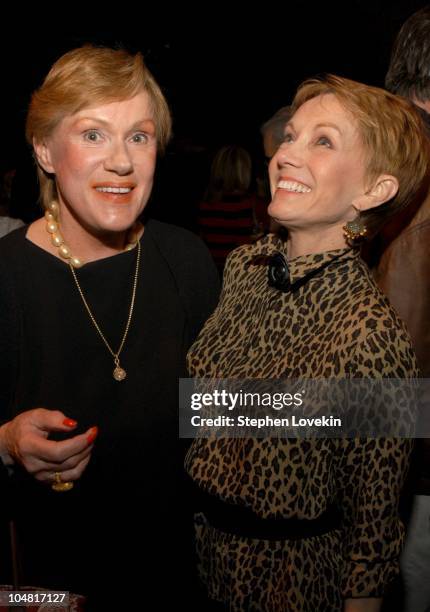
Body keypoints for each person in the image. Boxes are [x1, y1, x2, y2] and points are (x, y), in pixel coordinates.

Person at [184, 74, 429, 611]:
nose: (286, 154)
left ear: (374, 190)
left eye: (323, 141)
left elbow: (374, 534)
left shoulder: (375, 339)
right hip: (198, 557)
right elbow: (204, 412)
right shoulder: (245, 269)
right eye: (290, 137)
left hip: (289, 583)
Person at [0, 45, 219, 610]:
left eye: (139, 136)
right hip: (46, 593)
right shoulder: (6, 277)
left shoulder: (187, 262)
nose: (121, 162)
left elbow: (228, 412)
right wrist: (4, 443)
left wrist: (383, 409)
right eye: (93, 134)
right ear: (45, 149)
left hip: (175, 585)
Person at [370, 7, 430, 611]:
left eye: (322, 139)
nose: (286, 155)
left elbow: (395, 403)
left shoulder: (412, 183)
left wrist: (230, 410)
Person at [197, 145, 268, 273]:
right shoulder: (249, 204)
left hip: (212, 271)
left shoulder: (206, 203)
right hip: (240, 272)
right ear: (245, 171)